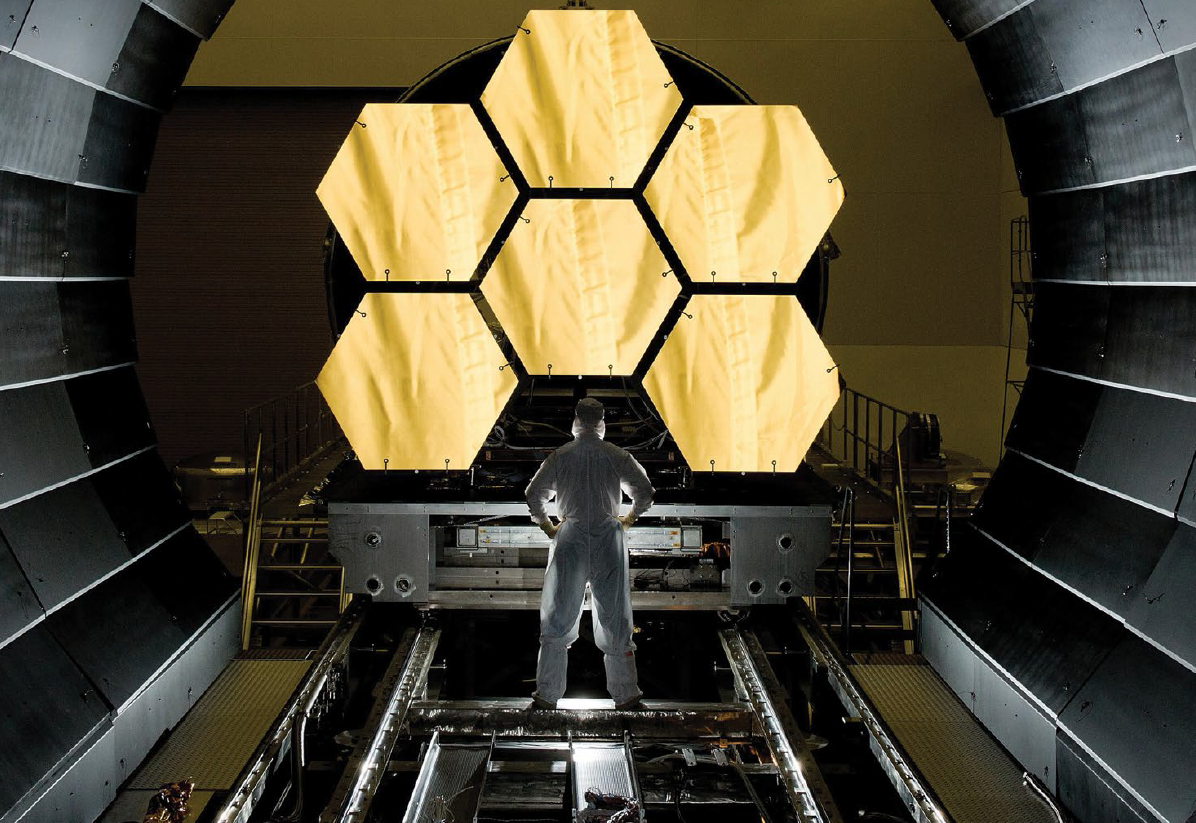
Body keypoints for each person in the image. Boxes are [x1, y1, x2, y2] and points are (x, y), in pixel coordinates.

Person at [525, 397, 655, 710]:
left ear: (575, 421)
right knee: (614, 616)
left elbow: (533, 495)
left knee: (558, 615)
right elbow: (645, 492)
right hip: (608, 536)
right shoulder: (616, 455)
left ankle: (547, 697)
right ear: (601, 422)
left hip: (570, 537)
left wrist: (548, 526)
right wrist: (628, 519)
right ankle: (626, 696)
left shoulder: (560, 456)